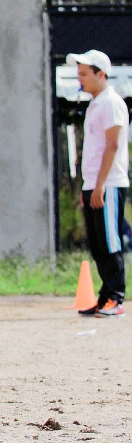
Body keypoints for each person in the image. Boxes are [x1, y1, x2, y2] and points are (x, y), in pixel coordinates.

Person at [68, 50, 128, 317]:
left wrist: (101, 184)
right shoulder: (95, 104)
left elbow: (113, 145)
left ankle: (116, 298)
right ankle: (105, 296)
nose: (79, 79)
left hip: (110, 183)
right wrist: (87, 186)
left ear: (100, 74)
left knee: (109, 241)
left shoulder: (112, 103)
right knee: (96, 243)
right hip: (94, 183)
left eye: (84, 74)